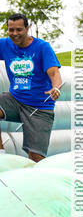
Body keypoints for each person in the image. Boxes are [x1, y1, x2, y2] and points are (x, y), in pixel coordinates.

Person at [0, 14, 61, 161]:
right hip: (15, 100)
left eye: (19, 29)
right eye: (11, 30)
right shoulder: (5, 44)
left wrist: (56, 87)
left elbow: (54, 72)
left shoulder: (42, 47)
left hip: (39, 107)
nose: (15, 33)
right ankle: (1, 155)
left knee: (36, 157)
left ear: (27, 28)